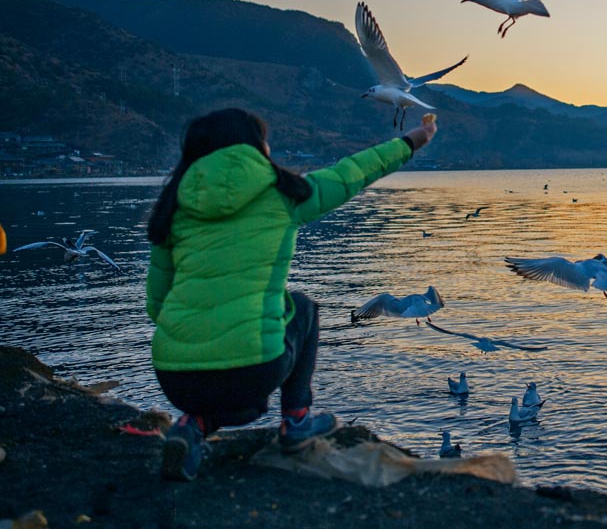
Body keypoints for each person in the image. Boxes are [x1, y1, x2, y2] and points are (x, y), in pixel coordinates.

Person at [145, 108, 437, 481]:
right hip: (253, 369)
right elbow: (354, 172)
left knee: (239, 395)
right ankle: (296, 422)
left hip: (175, 377)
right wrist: (412, 140)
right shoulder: (283, 195)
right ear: (256, 149)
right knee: (300, 307)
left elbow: (157, 307)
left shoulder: (172, 211)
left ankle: (192, 425)